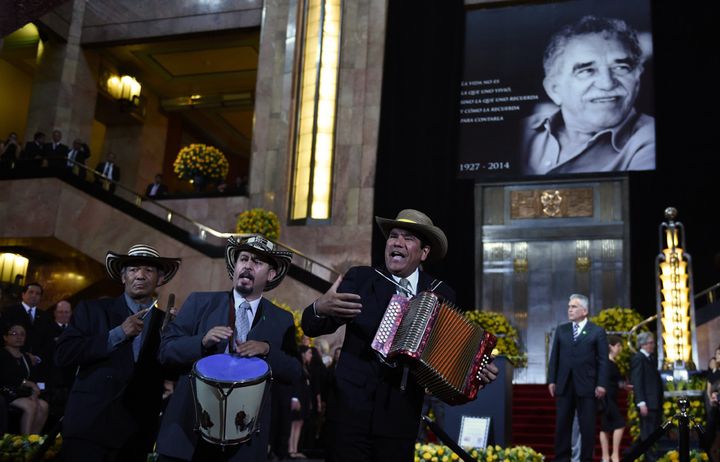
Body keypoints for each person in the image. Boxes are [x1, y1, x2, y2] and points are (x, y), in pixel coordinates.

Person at [301, 208, 499, 462]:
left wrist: (475, 370)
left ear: (424, 252)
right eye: (393, 235)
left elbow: (450, 355)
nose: (397, 242)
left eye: (408, 238)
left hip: (401, 417)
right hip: (349, 415)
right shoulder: (361, 279)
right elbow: (311, 326)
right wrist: (319, 308)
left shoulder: (441, 293)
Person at [156, 235, 301, 462]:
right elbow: (166, 352)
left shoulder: (281, 320)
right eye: (243, 258)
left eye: (257, 262)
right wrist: (201, 342)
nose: (247, 265)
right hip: (189, 435)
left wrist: (267, 350)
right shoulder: (199, 303)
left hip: (245, 443)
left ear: (271, 274)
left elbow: (295, 371)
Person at [55, 244, 181, 461]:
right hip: (90, 425)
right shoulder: (92, 310)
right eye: (133, 269)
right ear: (123, 277)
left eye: (148, 270)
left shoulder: (167, 322)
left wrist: (176, 341)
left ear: (160, 279)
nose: (140, 275)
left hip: (136, 432)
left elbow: (171, 371)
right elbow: (64, 354)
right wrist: (119, 333)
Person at [521, 15, 655, 175]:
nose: (607, 84)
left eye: (621, 68)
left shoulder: (650, 140)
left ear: (637, 79)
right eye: (586, 71)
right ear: (554, 90)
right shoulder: (520, 131)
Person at [547, 293, 608, 462]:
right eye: (569, 306)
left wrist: (601, 384)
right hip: (564, 384)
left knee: (587, 427)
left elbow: (603, 361)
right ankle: (561, 458)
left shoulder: (597, 331)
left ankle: (586, 459)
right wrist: (552, 380)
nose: (570, 309)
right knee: (562, 425)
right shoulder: (561, 330)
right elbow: (554, 358)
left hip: (587, 386)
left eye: (574, 307)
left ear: (585, 310)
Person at [0, 323, 49, 434]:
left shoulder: (26, 357)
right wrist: (29, 384)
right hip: (7, 392)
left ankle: (34, 442)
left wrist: (34, 391)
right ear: (5, 337)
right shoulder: (2, 354)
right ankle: (24, 443)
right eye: (14, 333)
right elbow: (6, 377)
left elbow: (33, 377)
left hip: (24, 392)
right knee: (30, 406)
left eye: (22, 334)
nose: (19, 337)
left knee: (44, 405)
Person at [2, 282, 54, 382]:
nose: (34, 295)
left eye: (37, 294)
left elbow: (48, 341)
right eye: (31, 292)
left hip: (38, 366)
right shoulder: (10, 311)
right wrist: (24, 356)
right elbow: (4, 335)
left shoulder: (45, 316)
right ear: (23, 294)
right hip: (13, 363)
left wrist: (38, 358)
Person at [628, 332, 663, 462]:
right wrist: (641, 402)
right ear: (643, 344)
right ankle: (650, 458)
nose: (653, 345)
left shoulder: (650, 358)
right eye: (651, 343)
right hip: (647, 402)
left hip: (654, 402)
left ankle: (631, 453)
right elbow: (637, 382)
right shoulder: (639, 358)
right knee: (648, 434)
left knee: (650, 433)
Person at [599, 335, 627, 462]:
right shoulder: (605, 362)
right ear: (611, 346)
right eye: (618, 346)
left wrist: (625, 386)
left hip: (612, 397)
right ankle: (613, 455)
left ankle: (606, 457)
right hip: (607, 398)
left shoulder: (612, 362)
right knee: (619, 424)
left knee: (605, 427)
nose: (620, 348)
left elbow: (616, 381)